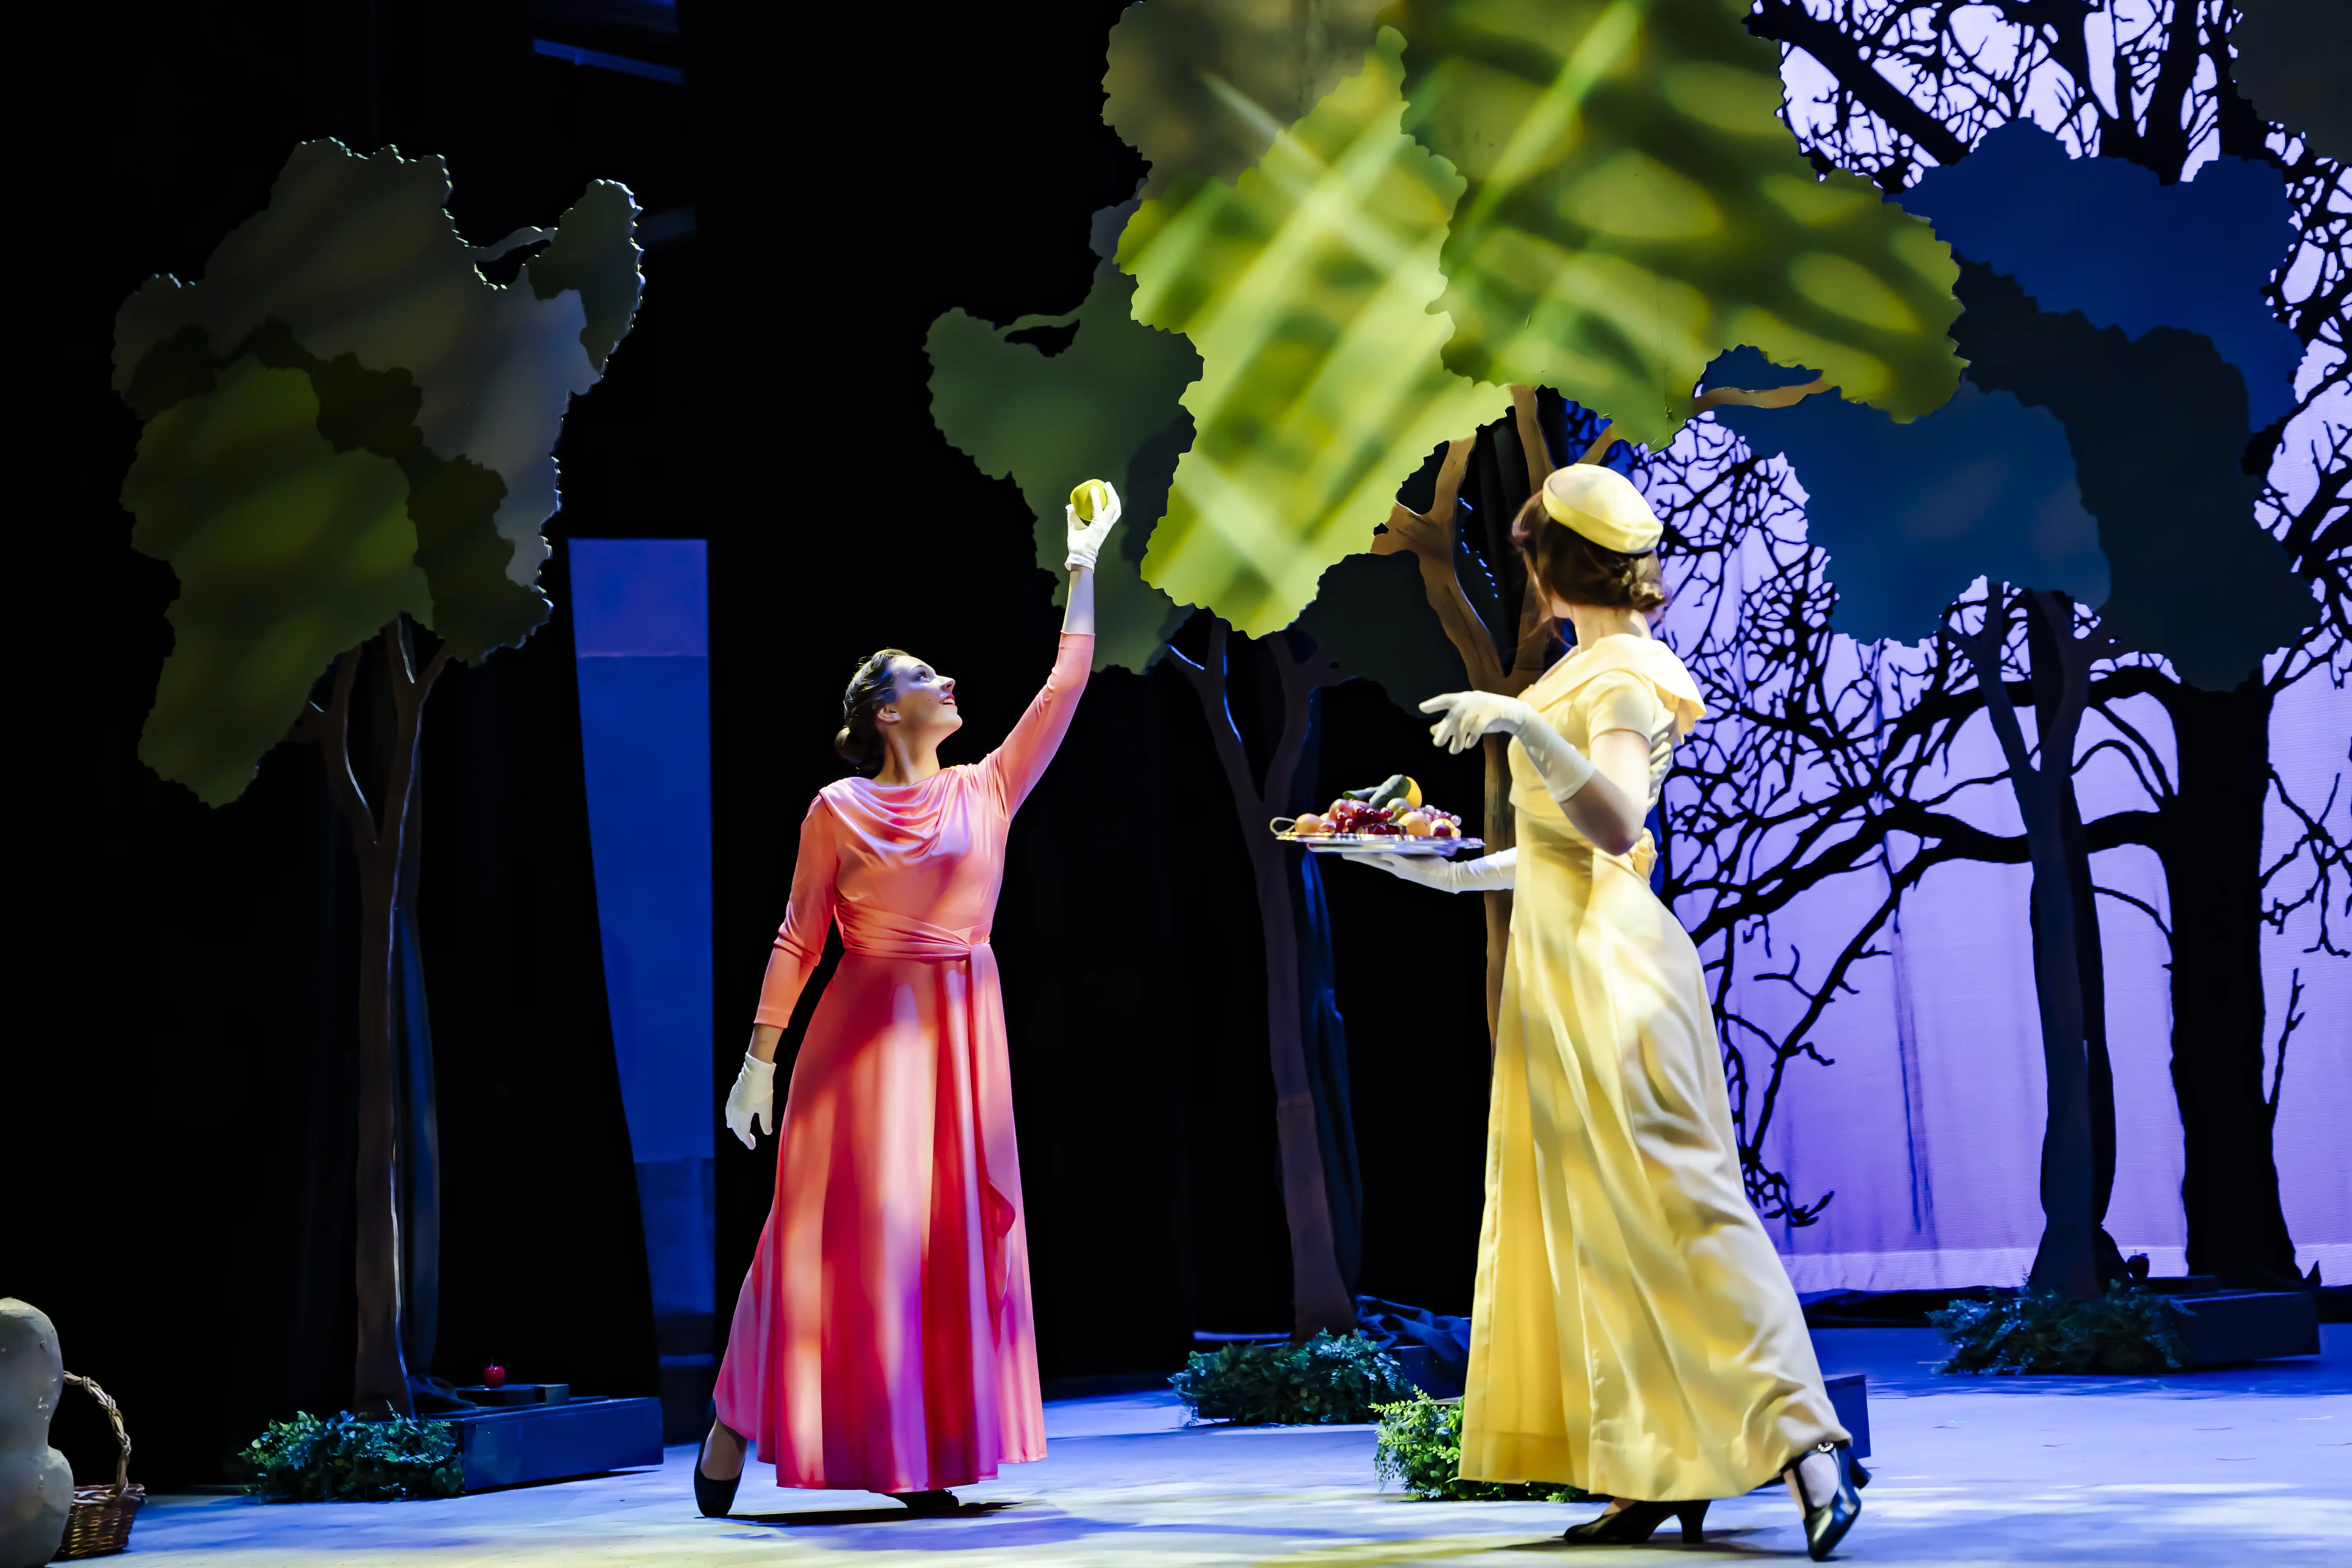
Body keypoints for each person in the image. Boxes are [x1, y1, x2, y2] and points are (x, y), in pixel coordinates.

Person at [1344, 465, 1865, 1559]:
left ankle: (1810, 1443)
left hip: (1614, 971)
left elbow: (1619, 822)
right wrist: (1438, 871)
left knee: (1682, 1204)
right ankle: (1649, 1470)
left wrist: (1520, 727)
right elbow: (1556, 854)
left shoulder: (1623, 673)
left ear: (1551, 570)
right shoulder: (1578, 673)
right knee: (1592, 1223)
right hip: (1559, 964)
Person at [693, 483, 1120, 1517]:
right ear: (889, 713)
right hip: (863, 1046)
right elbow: (798, 936)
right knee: (836, 1239)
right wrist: (758, 1060)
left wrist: (1084, 563)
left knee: (942, 1238)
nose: (949, 682)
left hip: (964, 1036)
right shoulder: (838, 809)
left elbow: (1066, 683)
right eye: (926, 678)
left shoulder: (987, 788)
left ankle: (920, 1449)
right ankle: (735, 1419)